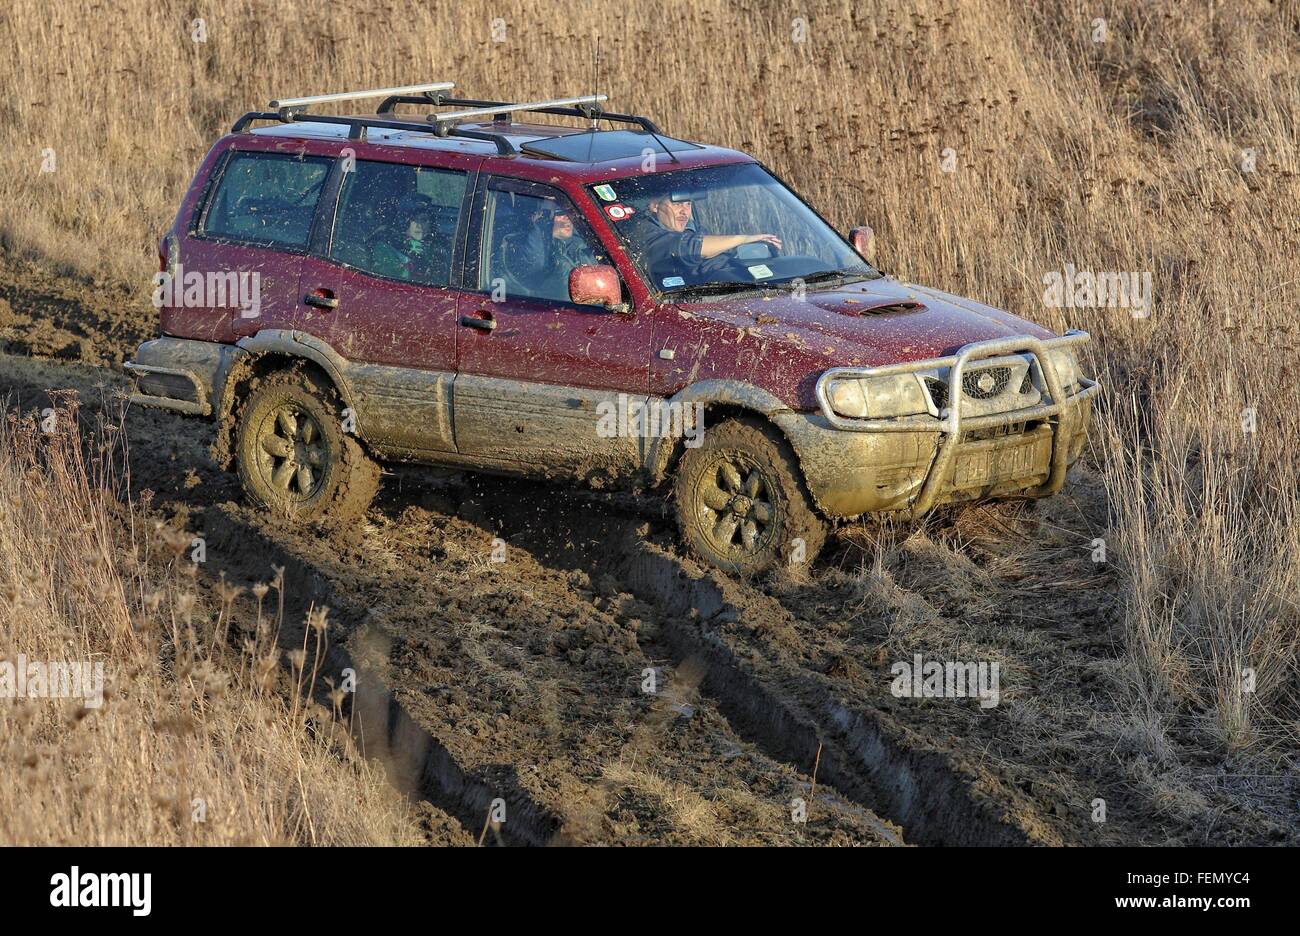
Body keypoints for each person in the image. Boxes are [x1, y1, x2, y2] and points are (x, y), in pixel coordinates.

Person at [628, 191, 782, 286]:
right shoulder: (645, 234)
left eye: (688, 204)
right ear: (655, 206)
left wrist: (750, 254)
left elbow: (709, 263)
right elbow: (691, 249)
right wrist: (744, 239)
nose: (684, 211)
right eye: (677, 204)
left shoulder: (693, 230)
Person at [500, 197, 599, 302]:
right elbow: (535, 264)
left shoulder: (584, 244)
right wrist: (543, 221)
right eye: (558, 212)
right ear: (537, 216)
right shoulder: (520, 249)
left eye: (568, 212)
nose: (567, 217)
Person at [370, 193, 438, 282]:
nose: (419, 225)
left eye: (424, 220)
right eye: (413, 219)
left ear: (431, 224)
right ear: (403, 222)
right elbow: (387, 283)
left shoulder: (436, 250)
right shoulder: (385, 247)